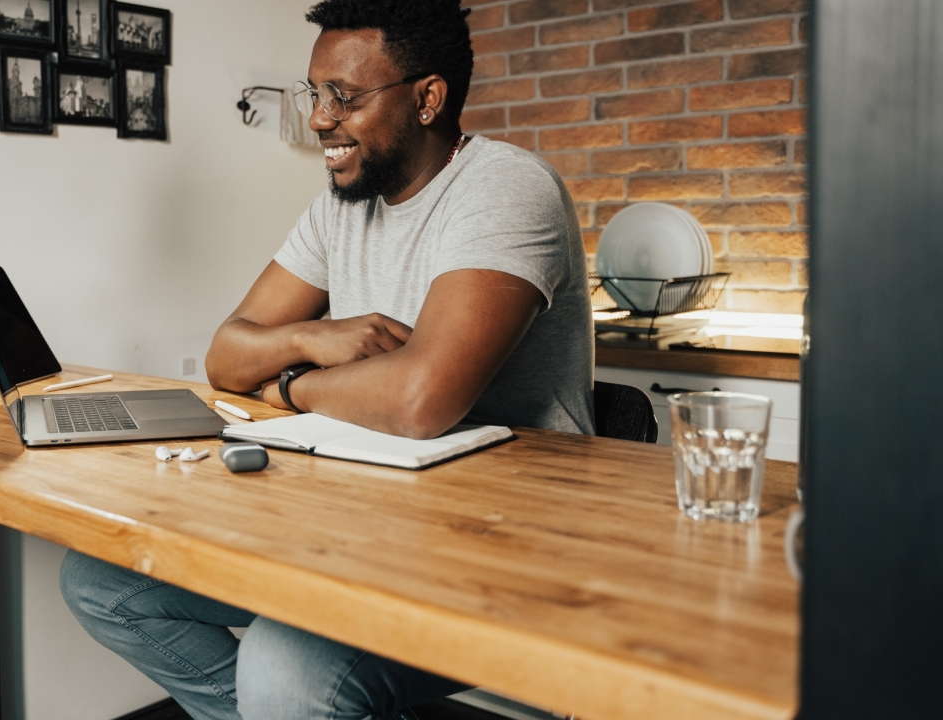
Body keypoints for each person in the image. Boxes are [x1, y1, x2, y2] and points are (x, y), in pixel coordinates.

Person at [61, 1, 595, 718]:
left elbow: (419, 399)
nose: (318, 119)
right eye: (316, 93)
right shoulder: (340, 208)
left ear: (428, 98)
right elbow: (228, 351)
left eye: (344, 96)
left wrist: (290, 387)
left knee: (285, 666)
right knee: (101, 580)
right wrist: (312, 338)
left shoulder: (505, 188)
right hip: (368, 517)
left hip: (504, 540)